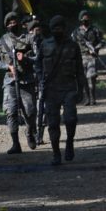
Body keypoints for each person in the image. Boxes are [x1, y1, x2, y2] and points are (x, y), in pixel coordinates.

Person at [35, 16, 85, 166]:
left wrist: (81, 90)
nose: (57, 30)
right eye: (54, 28)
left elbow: (80, 70)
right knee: (53, 123)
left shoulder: (73, 46)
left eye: (60, 28)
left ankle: (69, 142)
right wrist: (40, 80)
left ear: (64, 28)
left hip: (69, 88)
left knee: (70, 119)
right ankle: (56, 152)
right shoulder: (45, 45)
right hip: (51, 90)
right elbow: (38, 65)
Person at [0, 11, 38, 154]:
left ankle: (30, 133)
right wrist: (7, 66)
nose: (13, 24)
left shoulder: (29, 38)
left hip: (26, 81)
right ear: (6, 26)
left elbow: (38, 57)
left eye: (14, 22)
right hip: (10, 81)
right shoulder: (1, 41)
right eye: (9, 23)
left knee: (29, 112)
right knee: (10, 112)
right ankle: (15, 143)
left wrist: (26, 58)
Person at [71, 10, 104, 105]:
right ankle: (87, 98)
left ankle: (93, 98)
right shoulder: (76, 32)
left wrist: (95, 48)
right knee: (83, 78)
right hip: (81, 57)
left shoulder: (95, 30)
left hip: (91, 57)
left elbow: (102, 42)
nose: (85, 20)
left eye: (87, 18)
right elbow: (72, 44)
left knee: (91, 77)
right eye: (83, 18)